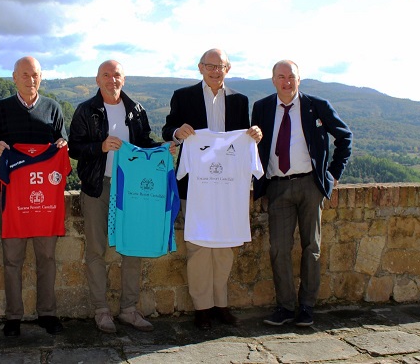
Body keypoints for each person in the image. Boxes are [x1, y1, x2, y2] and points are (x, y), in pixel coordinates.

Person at [69, 59, 173, 333]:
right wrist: (100, 146)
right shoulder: (85, 110)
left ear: (123, 79)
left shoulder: (136, 110)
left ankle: (128, 310)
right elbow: (74, 148)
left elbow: (145, 144)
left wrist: (163, 149)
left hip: (131, 189)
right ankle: (101, 311)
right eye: (106, 75)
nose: (111, 79)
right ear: (97, 79)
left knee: (133, 247)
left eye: (116, 75)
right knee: (96, 250)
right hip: (97, 187)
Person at [162, 48, 262, 331]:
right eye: (210, 66)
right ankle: (202, 308)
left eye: (221, 66)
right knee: (198, 248)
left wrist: (254, 134)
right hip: (195, 185)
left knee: (224, 247)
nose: (216, 71)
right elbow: (168, 128)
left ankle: (221, 304)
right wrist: (177, 133)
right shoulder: (183, 96)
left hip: (228, 187)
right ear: (200, 67)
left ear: (228, 69)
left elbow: (244, 138)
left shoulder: (240, 100)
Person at [252, 60, 352, 327]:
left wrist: (333, 174)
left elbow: (345, 137)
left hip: (310, 185)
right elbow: (254, 145)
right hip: (277, 186)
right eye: (281, 77)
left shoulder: (317, 106)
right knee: (279, 249)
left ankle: (307, 307)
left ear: (299, 79)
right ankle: (285, 307)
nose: (287, 82)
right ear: (273, 80)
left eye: (291, 77)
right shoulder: (261, 107)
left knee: (312, 247)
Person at [0, 56, 68, 337]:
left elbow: (62, 142)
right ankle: (13, 317)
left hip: (45, 198)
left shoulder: (53, 108)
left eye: (35, 75)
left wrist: (62, 144)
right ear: (14, 77)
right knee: (12, 259)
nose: (30, 80)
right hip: (12, 197)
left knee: (47, 257)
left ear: (41, 77)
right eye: (25, 75)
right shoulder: (1, 109)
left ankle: (47, 313)